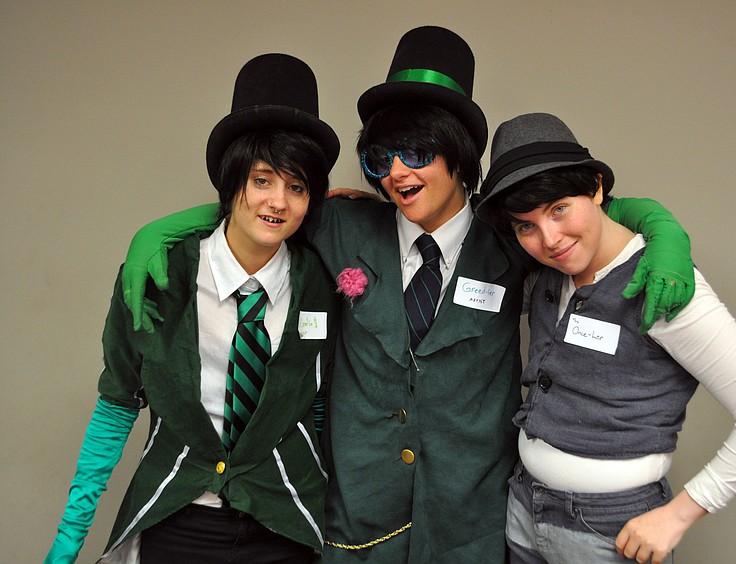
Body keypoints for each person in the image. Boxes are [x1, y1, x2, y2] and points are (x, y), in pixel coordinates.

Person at [117, 27, 696, 562]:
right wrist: (157, 232)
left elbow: (586, 208)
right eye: (380, 159)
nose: (396, 173)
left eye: (416, 153)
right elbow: (259, 210)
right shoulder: (343, 226)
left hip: (467, 523)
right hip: (359, 523)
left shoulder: (512, 235)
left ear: (459, 155)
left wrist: (663, 228)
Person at [45, 54, 341, 563]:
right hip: (178, 518)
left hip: (285, 524)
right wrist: (67, 543)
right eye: (262, 180)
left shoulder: (320, 281)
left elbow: (318, 406)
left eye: (297, 187)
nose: (278, 202)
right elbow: (116, 404)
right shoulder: (157, 276)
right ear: (232, 181)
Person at [475, 112, 736, 564]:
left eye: (559, 209)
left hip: (606, 530)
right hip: (524, 508)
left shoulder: (664, 286)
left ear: (596, 189)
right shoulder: (548, 274)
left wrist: (678, 516)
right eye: (526, 226)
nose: (549, 239)